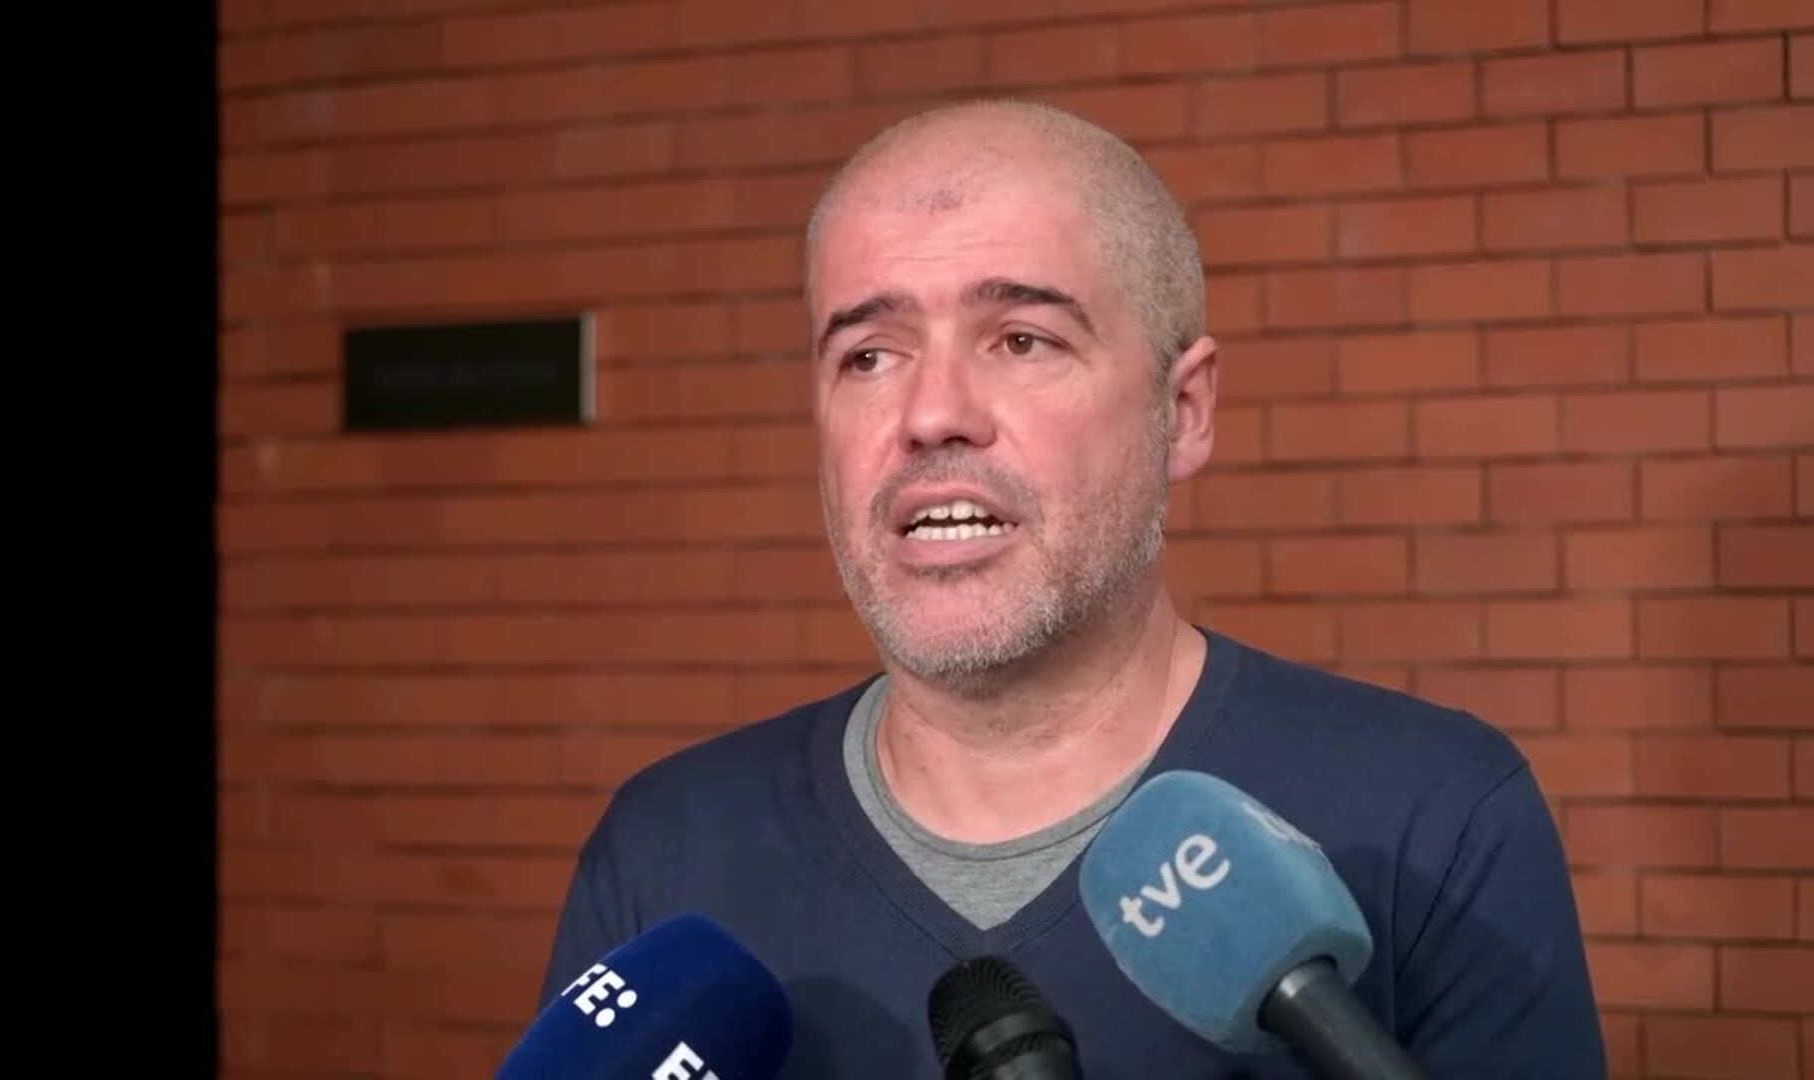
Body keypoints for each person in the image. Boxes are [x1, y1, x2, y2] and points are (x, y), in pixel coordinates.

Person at [536, 98, 1606, 1077]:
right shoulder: (669, 855)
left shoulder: (1433, 819)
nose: (932, 414)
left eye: (1022, 340)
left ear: (1183, 412)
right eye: (868, 355)